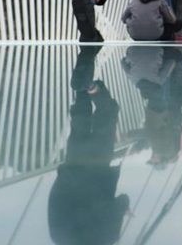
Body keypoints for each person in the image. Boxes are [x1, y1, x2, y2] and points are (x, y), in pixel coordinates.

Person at [48, 46, 128, 244]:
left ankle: (92, 86)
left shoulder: (105, 241)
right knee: (80, 119)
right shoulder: (60, 240)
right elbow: (55, 204)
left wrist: (123, 208)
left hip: (97, 170)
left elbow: (120, 202)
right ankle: (82, 86)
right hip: (71, 168)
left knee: (108, 112)